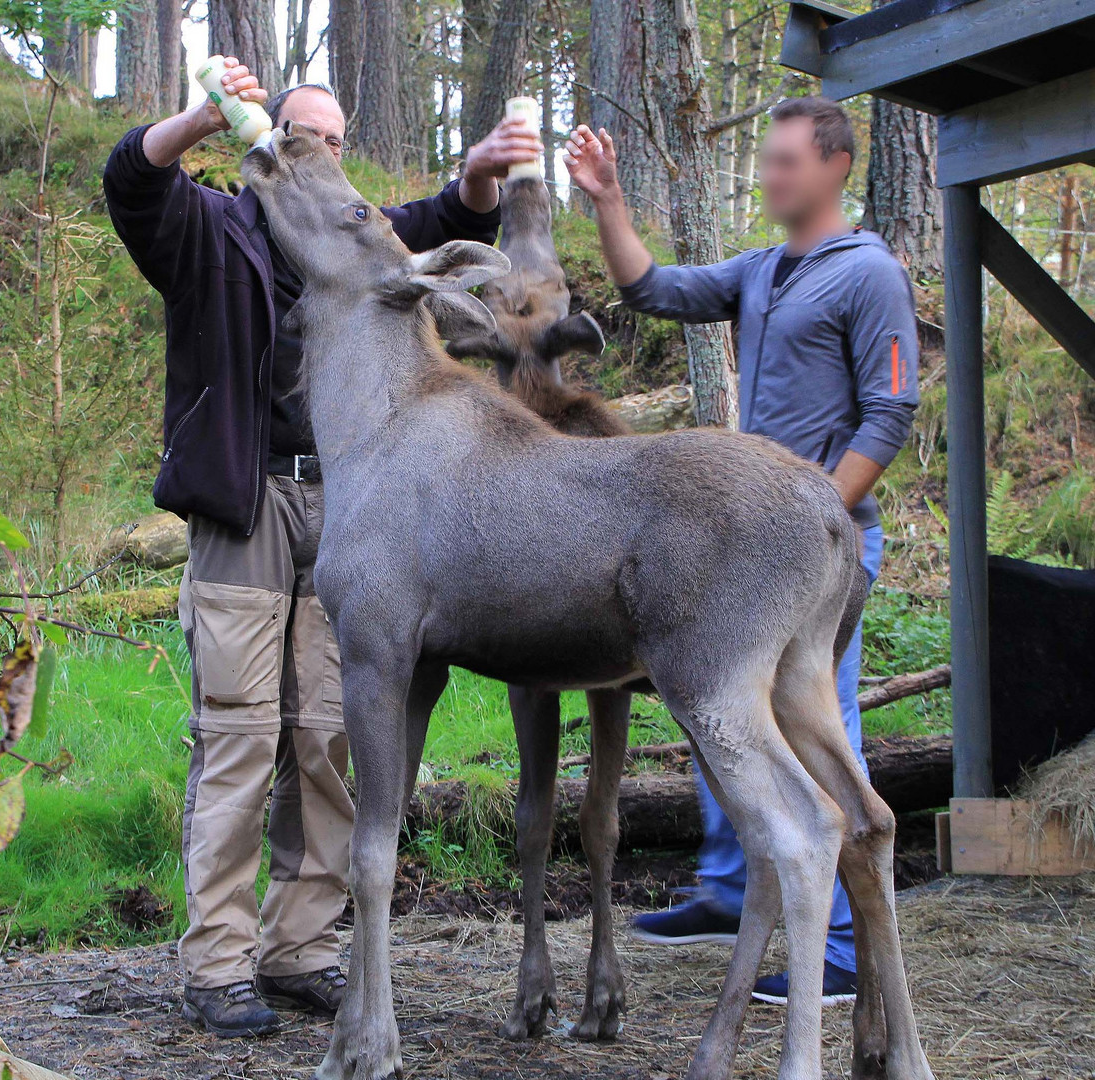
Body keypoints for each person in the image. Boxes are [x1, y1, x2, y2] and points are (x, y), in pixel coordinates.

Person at [102, 60, 543, 1038]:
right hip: (245, 505)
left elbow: (426, 225)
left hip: (347, 509)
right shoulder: (209, 230)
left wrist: (477, 177)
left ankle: (300, 949)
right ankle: (217, 964)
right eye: (306, 137)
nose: (325, 156)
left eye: (337, 142)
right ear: (269, 149)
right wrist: (198, 118)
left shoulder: (349, 237)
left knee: (330, 742)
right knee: (238, 736)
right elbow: (131, 182)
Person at [563, 96, 919, 1006]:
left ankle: (839, 946)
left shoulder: (868, 272)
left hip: (811, 548)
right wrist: (608, 202)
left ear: (836, 167)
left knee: (813, 730)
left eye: (786, 162)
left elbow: (891, 414)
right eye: (765, 160)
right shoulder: (764, 270)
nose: (769, 176)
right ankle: (732, 888)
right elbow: (654, 289)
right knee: (716, 710)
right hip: (752, 549)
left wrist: (810, 527)